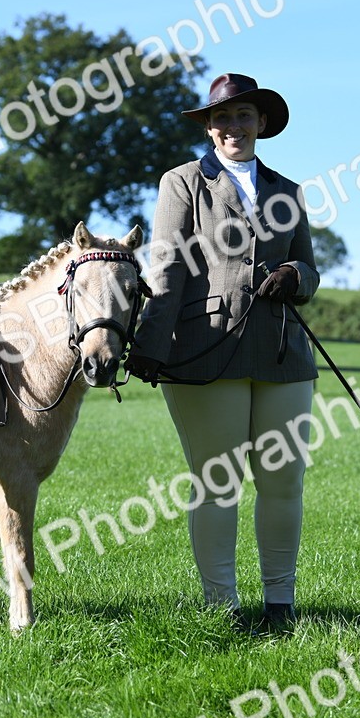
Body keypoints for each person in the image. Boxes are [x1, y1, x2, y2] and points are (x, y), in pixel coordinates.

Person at [124, 73, 320, 632]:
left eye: (243, 116)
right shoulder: (182, 182)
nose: (232, 126)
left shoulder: (288, 190)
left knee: (284, 481)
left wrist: (294, 274)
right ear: (209, 128)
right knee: (218, 482)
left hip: (284, 353)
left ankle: (280, 606)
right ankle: (223, 609)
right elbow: (165, 266)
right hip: (206, 349)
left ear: (261, 123)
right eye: (222, 118)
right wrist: (150, 345)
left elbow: (311, 268)